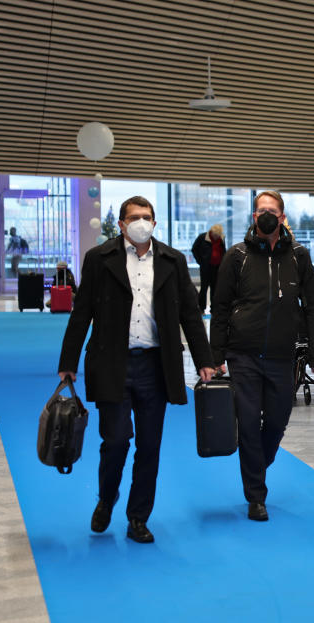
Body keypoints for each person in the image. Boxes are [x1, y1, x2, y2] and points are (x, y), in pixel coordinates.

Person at [58, 195, 216, 544]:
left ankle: (138, 517)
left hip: (156, 366)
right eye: (135, 217)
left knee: (150, 447)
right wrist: (67, 363)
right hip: (112, 363)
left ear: (155, 222)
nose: (141, 222)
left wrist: (204, 359)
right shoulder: (100, 259)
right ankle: (106, 498)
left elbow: (190, 314)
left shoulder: (173, 261)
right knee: (114, 440)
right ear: (123, 224)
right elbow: (81, 311)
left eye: (147, 216)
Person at [211, 190, 314, 522]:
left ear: (282, 217)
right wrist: (215, 355)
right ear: (253, 217)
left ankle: (257, 464)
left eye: (271, 210)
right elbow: (219, 309)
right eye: (260, 210)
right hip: (243, 354)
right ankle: (256, 496)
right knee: (248, 424)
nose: (265, 215)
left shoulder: (299, 256)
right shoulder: (237, 256)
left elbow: (313, 308)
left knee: (276, 421)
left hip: (281, 354)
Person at [190, 224, 226, 313]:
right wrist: (200, 261)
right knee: (204, 288)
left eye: (218, 235)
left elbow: (223, 251)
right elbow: (194, 249)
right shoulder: (202, 237)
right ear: (211, 232)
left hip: (217, 267)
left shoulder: (221, 238)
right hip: (206, 267)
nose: (216, 237)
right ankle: (201, 308)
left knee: (215, 288)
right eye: (215, 235)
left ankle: (214, 308)